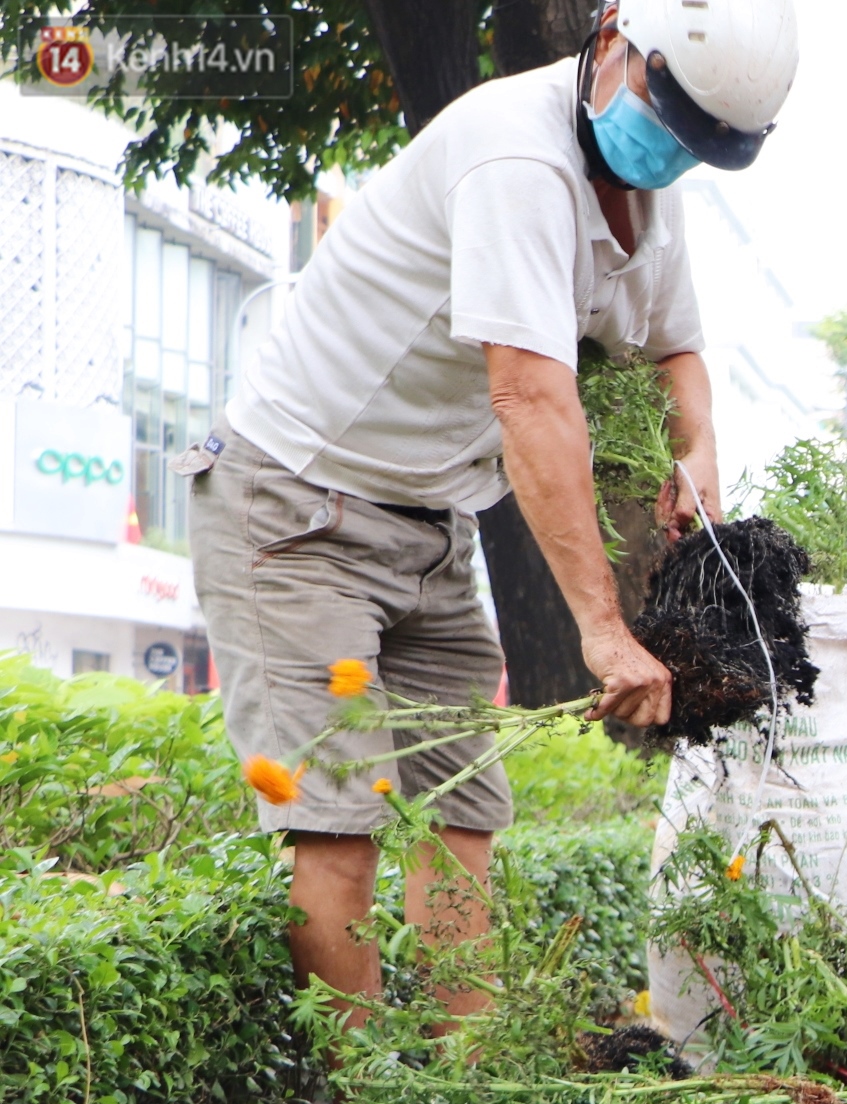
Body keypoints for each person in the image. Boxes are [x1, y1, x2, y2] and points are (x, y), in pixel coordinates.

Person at [186, 0, 796, 1025]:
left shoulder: (649, 185)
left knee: (460, 819)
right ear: (611, 41)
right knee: (341, 824)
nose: (673, 151)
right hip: (297, 505)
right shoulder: (518, 158)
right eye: (668, 114)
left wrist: (697, 449)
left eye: (699, 144)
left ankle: (472, 1095)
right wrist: (601, 630)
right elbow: (531, 399)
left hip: (430, 522)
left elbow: (674, 341)